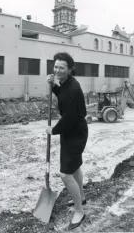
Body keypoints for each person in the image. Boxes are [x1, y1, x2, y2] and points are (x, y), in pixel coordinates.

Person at [46, 52, 88, 230]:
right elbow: (62, 95)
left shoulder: (73, 88)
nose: (57, 70)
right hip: (72, 131)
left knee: (65, 174)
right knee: (75, 166)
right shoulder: (66, 84)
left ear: (70, 69)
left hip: (75, 133)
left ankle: (79, 211)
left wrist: (53, 130)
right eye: (56, 66)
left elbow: (70, 117)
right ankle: (82, 196)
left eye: (61, 67)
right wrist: (53, 86)